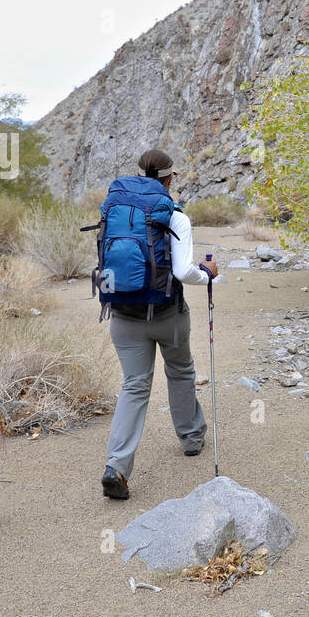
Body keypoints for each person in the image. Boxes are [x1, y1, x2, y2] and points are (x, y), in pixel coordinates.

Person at [99, 148, 218, 500]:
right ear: (170, 178)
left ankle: (116, 466)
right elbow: (182, 272)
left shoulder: (114, 208)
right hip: (167, 314)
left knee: (134, 385)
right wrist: (207, 274)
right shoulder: (175, 215)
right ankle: (191, 438)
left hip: (123, 314)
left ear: (138, 172)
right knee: (180, 370)